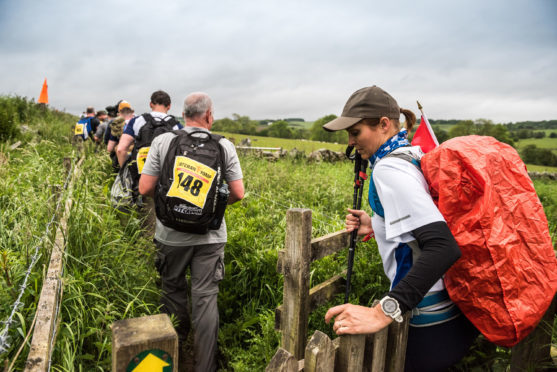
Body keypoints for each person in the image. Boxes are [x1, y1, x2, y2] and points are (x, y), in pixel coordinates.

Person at [322, 86, 478, 371]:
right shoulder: (411, 155)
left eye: (356, 132)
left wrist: (383, 312)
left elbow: (443, 246)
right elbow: (421, 222)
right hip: (452, 308)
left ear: (383, 124)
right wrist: (376, 224)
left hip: (426, 318)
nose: (350, 141)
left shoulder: (388, 169)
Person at [138, 92, 244, 372]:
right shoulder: (225, 146)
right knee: (206, 299)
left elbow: (145, 188)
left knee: (172, 290)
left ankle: (172, 355)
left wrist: (170, 203)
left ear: (183, 114)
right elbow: (238, 193)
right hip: (210, 237)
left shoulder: (163, 142)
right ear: (209, 115)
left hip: (169, 235)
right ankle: (205, 366)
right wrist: (212, 205)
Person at [116, 90, 182, 169]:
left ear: (151, 104)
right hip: (164, 175)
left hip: (139, 172)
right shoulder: (177, 126)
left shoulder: (136, 121)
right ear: (169, 106)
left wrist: (125, 172)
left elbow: (121, 149)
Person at [107, 101, 135, 171]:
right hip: (138, 157)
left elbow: (109, 148)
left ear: (119, 113)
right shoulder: (139, 121)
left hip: (122, 158)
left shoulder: (116, 124)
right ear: (132, 112)